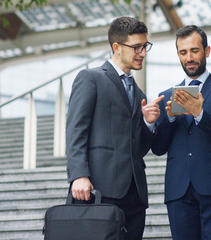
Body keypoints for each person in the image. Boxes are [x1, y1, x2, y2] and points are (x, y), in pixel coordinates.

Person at [66, 16, 164, 240]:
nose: (142, 53)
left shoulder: (139, 94)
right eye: (136, 47)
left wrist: (148, 123)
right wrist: (78, 175)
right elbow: (75, 131)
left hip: (135, 194)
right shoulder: (90, 78)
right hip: (99, 189)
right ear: (117, 47)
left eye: (145, 46)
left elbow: (135, 148)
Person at [151, 25, 211, 239]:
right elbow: (158, 148)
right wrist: (171, 118)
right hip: (178, 190)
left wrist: (200, 114)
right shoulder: (166, 96)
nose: (189, 57)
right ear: (178, 55)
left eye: (194, 50)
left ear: (207, 51)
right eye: (183, 52)